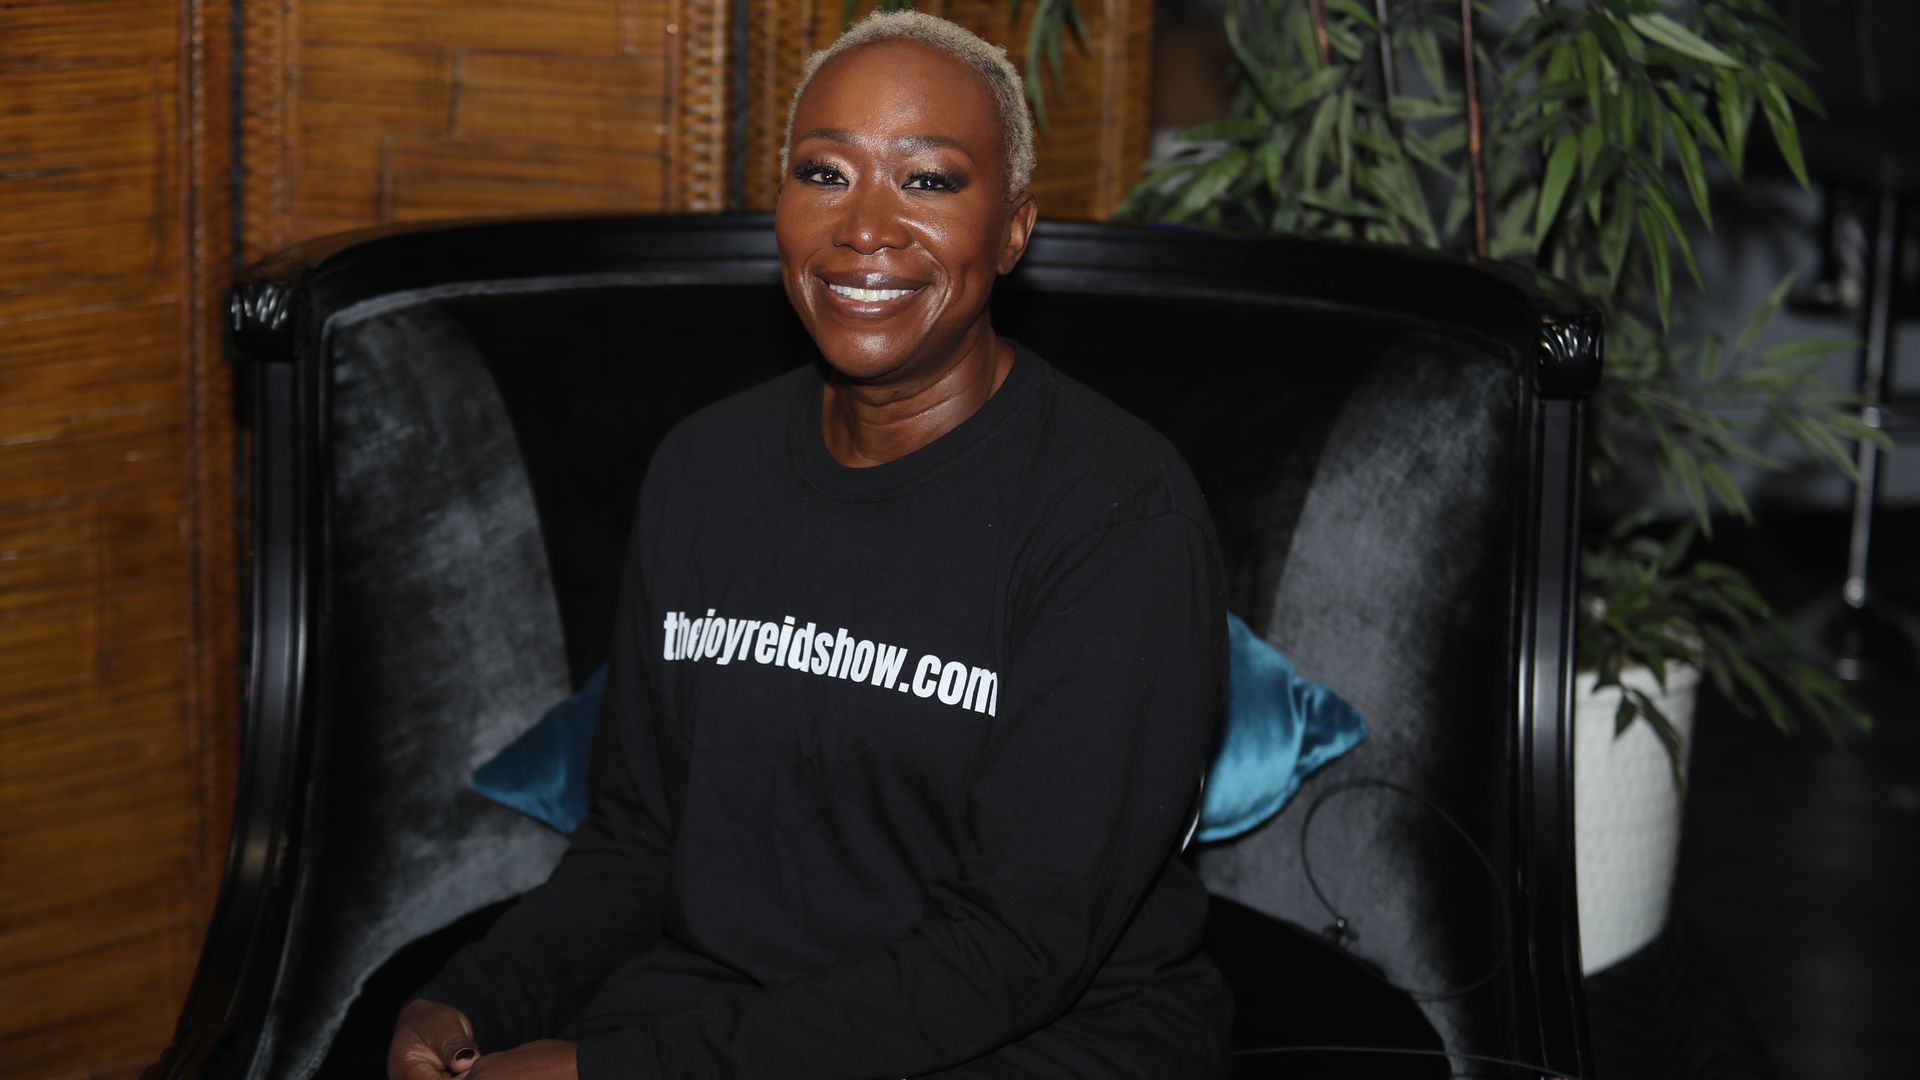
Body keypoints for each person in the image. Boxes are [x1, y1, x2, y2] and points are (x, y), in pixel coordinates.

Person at [387, 12, 1230, 1079]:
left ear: (1013, 230)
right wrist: (475, 998)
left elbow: (1017, 948)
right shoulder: (704, 469)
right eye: (824, 173)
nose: (865, 227)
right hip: (728, 1009)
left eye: (928, 181)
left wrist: (616, 1072)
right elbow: (640, 840)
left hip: (1036, 1034)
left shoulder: (1117, 516)